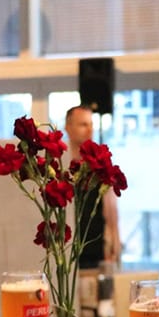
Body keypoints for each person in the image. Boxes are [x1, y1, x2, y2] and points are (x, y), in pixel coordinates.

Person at [64, 105, 121, 271]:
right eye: (83, 125)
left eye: (91, 124)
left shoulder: (99, 163)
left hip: (96, 249)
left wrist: (114, 241)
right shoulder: (60, 165)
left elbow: (111, 210)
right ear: (68, 128)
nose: (89, 130)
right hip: (68, 248)